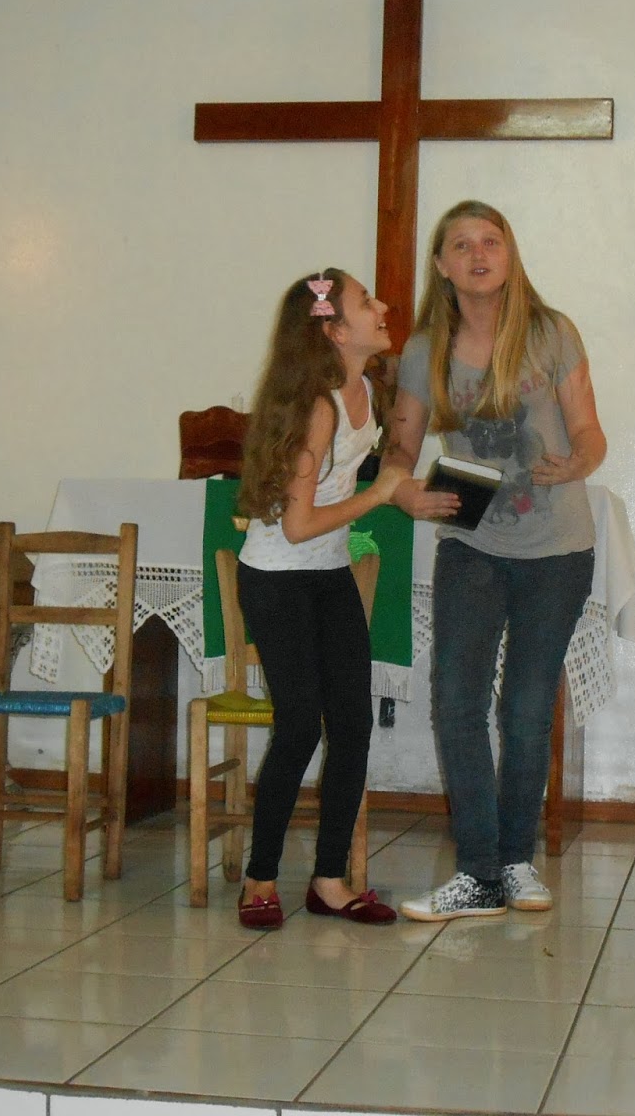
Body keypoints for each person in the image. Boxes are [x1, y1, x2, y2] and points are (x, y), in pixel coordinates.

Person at [382, 200, 607, 922]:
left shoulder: (551, 332)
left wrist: (578, 461)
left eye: (491, 241)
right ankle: (476, 873)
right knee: (457, 701)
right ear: (442, 265)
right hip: (470, 539)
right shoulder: (424, 349)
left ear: (509, 256)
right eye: (461, 245)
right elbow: (399, 447)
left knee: (527, 707)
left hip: (557, 548)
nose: (478, 255)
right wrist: (403, 488)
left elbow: (592, 433)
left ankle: (516, 863)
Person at [231, 268, 411, 930]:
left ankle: (330, 882)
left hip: (329, 572)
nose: (382, 305)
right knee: (301, 724)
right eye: (367, 301)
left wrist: (403, 484)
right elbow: (298, 525)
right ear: (334, 330)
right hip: (277, 578)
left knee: (354, 725)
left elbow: (359, 482)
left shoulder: (368, 389)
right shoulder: (317, 407)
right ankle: (260, 877)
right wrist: (379, 495)